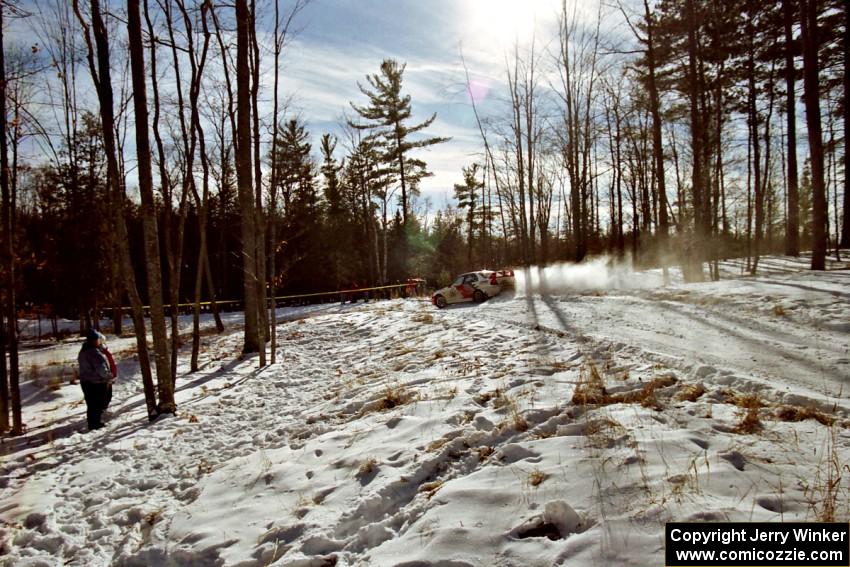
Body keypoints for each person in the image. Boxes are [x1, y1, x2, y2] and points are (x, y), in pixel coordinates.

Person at [78, 328, 116, 431]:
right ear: (95, 340)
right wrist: (109, 376)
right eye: (98, 339)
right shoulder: (94, 352)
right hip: (96, 383)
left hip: (86, 382)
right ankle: (95, 424)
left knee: (91, 404)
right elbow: (101, 369)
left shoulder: (83, 350)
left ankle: (93, 422)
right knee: (97, 403)